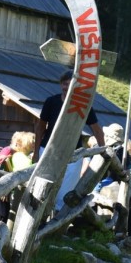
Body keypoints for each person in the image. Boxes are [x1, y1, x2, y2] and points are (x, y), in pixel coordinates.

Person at [33, 70, 105, 212]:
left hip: (73, 152)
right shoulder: (51, 102)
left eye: (71, 84)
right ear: (61, 85)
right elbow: (40, 127)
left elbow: (96, 130)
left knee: (65, 191)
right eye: (65, 83)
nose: (67, 87)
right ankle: (39, 221)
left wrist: (104, 150)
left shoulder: (84, 106)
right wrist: (35, 152)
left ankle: (57, 225)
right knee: (42, 187)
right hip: (48, 149)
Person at [0, 131, 35, 222]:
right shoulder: (8, 151)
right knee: (3, 214)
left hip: (2, 185)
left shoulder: (13, 152)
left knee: (5, 212)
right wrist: (4, 191)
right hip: (0, 186)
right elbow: (1, 169)